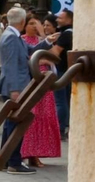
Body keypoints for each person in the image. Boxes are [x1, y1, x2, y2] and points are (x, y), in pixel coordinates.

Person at [0, 7, 36, 174]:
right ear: (22, 22)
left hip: (17, 86)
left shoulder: (13, 35)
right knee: (16, 125)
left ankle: (5, 159)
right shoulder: (11, 37)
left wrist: (47, 42)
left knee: (10, 124)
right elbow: (10, 65)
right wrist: (14, 90)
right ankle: (14, 161)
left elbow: (29, 50)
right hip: (17, 87)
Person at [20, 16, 63, 167]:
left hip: (45, 84)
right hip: (32, 83)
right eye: (30, 23)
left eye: (36, 24)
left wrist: (42, 35)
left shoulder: (43, 40)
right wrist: (40, 61)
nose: (34, 27)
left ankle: (38, 152)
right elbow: (25, 60)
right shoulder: (22, 40)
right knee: (32, 118)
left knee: (45, 117)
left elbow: (53, 57)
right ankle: (29, 153)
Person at [52, 4, 74, 137]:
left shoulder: (66, 35)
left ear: (69, 20)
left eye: (61, 18)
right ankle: (65, 125)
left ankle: (60, 128)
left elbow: (55, 52)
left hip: (61, 70)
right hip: (69, 71)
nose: (58, 20)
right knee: (65, 100)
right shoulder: (71, 33)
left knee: (60, 101)